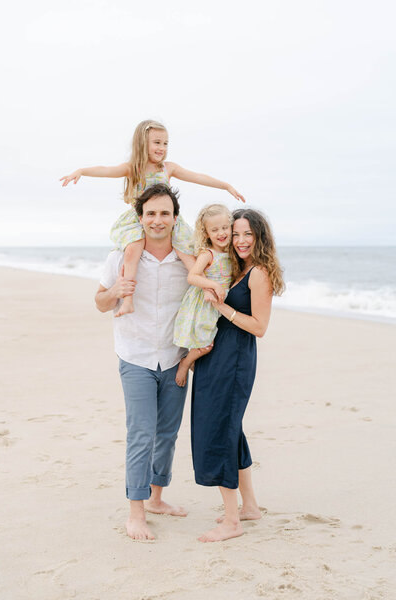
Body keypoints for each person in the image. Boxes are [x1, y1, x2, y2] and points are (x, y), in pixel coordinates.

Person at [61, 119, 245, 316]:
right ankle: (128, 300)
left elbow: (197, 176)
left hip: (167, 219)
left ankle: (208, 290)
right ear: (143, 143)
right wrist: (81, 171)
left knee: (187, 253)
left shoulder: (168, 168)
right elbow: (106, 170)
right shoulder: (133, 168)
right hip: (140, 220)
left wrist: (225, 185)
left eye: (165, 144)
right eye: (157, 142)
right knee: (133, 249)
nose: (162, 148)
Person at [95, 183, 190, 542]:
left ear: (175, 219)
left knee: (166, 434)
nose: (157, 220)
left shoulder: (187, 260)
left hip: (174, 359)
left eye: (165, 213)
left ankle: (156, 498)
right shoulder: (120, 257)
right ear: (140, 218)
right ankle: (136, 512)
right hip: (134, 356)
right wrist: (115, 293)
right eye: (151, 213)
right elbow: (100, 302)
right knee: (141, 434)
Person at [191, 208, 285, 542]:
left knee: (218, 430)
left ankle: (232, 522)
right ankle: (250, 507)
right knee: (231, 429)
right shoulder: (233, 266)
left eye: (248, 234)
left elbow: (259, 327)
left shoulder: (259, 273)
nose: (241, 240)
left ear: (260, 236)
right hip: (217, 354)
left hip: (234, 359)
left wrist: (222, 308)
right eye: (236, 233)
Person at [173, 204, 233, 387]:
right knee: (206, 345)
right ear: (206, 233)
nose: (221, 233)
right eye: (214, 230)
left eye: (225, 228)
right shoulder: (208, 254)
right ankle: (185, 363)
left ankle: (194, 364)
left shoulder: (232, 252)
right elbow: (192, 276)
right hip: (204, 303)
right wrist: (212, 285)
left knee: (210, 341)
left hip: (219, 304)